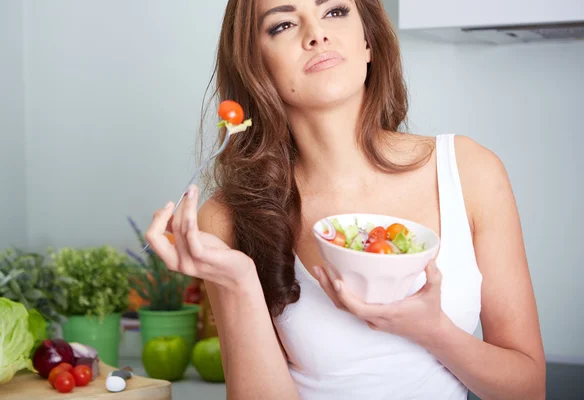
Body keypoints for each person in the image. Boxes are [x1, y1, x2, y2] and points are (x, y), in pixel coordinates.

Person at [144, 0, 546, 398]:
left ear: (368, 41)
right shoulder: (228, 218)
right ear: (256, 66)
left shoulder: (470, 170)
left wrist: (435, 332)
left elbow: (528, 388)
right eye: (283, 25)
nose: (316, 33)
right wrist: (240, 282)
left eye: (334, 11)